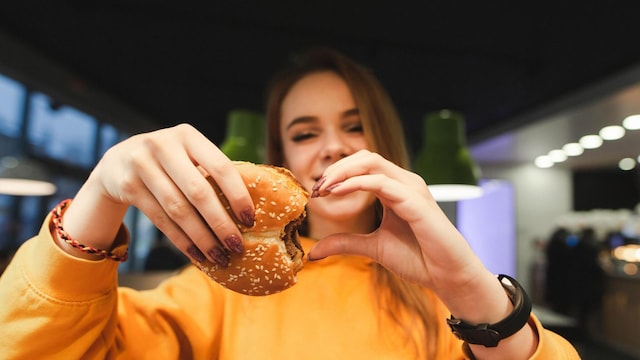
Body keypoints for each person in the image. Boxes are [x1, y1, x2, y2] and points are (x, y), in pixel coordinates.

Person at [0, 48, 579, 359]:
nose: (331, 147)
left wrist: (477, 296)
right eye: (304, 134)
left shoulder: (442, 295)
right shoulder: (221, 288)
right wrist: (100, 197)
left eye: (355, 126)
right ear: (283, 164)